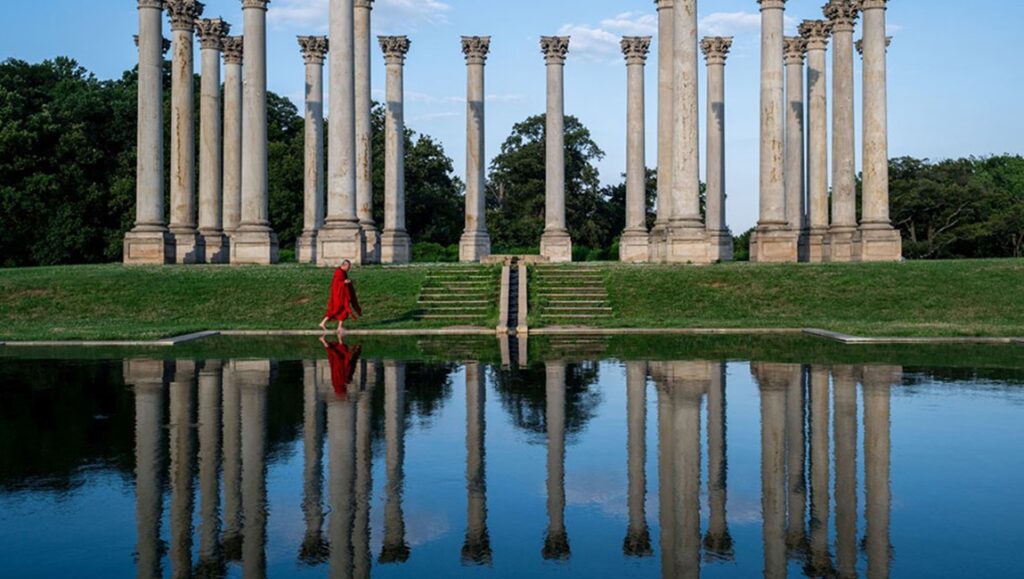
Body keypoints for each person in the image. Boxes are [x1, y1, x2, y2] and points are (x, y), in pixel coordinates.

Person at [319, 260, 362, 334]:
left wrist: (348, 282)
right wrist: (345, 282)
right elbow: (336, 282)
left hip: (343, 294)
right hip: (338, 294)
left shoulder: (343, 272)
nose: (349, 268)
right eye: (348, 267)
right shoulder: (338, 272)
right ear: (344, 265)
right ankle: (322, 323)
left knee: (344, 309)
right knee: (335, 309)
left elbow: (343, 281)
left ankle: (339, 327)